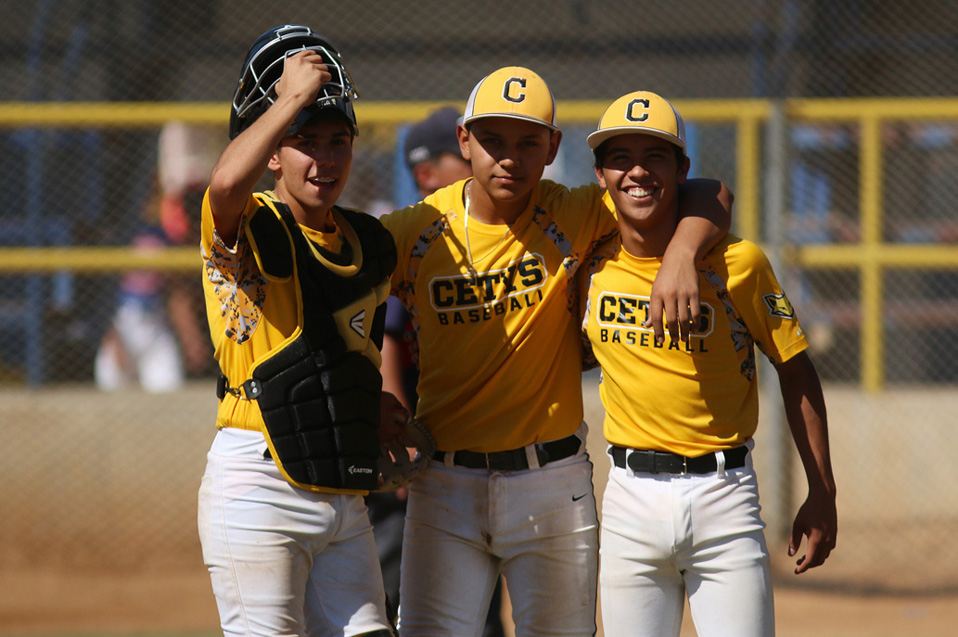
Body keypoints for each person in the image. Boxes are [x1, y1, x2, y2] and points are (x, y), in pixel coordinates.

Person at [378, 67, 732, 635]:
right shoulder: (415, 230)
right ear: (464, 140)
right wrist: (374, 394)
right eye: (492, 140)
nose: (509, 158)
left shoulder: (576, 210)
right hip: (445, 485)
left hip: (552, 482)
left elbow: (711, 192)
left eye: (527, 142)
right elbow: (339, 306)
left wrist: (682, 255)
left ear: (553, 147)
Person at [579, 90, 838, 636]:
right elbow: (714, 193)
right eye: (620, 157)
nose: (638, 171)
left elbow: (795, 369)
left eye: (656, 156)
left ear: (681, 168)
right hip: (628, 498)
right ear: (600, 173)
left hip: (724, 495)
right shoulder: (585, 246)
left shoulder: (738, 263)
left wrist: (822, 491)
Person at [196, 24, 399, 636]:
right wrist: (286, 101)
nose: (325, 158)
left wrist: (373, 406)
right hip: (258, 482)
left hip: (341, 488)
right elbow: (225, 184)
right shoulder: (250, 221)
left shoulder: (367, 239)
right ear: (274, 154)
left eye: (339, 140)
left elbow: (349, 349)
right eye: (304, 141)